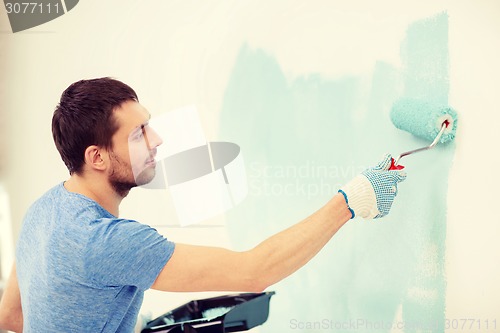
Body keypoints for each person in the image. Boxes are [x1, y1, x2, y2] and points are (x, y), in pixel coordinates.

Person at [0, 77, 406, 333]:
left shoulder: (42, 211)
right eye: (139, 133)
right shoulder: (109, 243)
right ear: (98, 157)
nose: (157, 139)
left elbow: (11, 320)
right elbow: (254, 272)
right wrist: (351, 201)